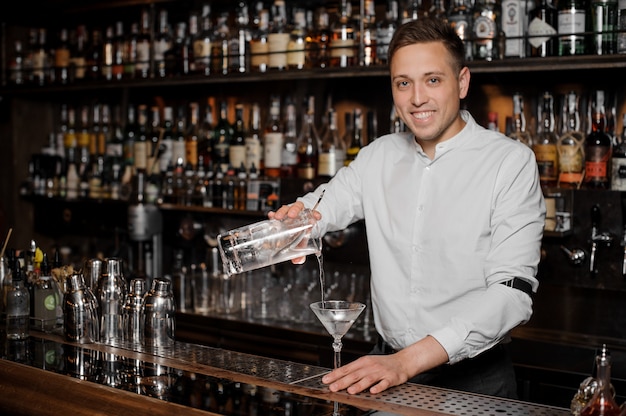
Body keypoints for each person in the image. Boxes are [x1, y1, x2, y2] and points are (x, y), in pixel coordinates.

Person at [270, 17, 545, 399]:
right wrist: (298, 220)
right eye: (404, 83)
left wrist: (407, 362)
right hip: (387, 367)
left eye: (433, 80)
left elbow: (512, 294)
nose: (417, 98)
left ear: (462, 82)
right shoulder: (379, 155)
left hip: (475, 380)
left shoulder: (509, 162)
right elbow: (329, 201)